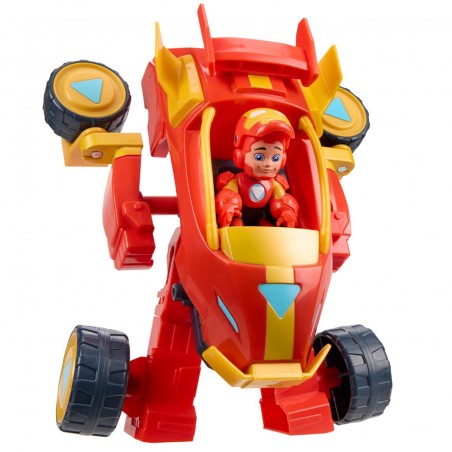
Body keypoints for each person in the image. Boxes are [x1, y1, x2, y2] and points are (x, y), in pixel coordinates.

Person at [215, 108, 299, 228]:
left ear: (283, 159)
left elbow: (282, 200)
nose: (268, 164)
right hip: (238, 217)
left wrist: (287, 212)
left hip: (261, 219)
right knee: (236, 225)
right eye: (259, 157)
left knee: (270, 230)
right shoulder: (237, 181)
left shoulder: (274, 184)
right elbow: (229, 195)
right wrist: (228, 208)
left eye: (275, 158)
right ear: (239, 156)